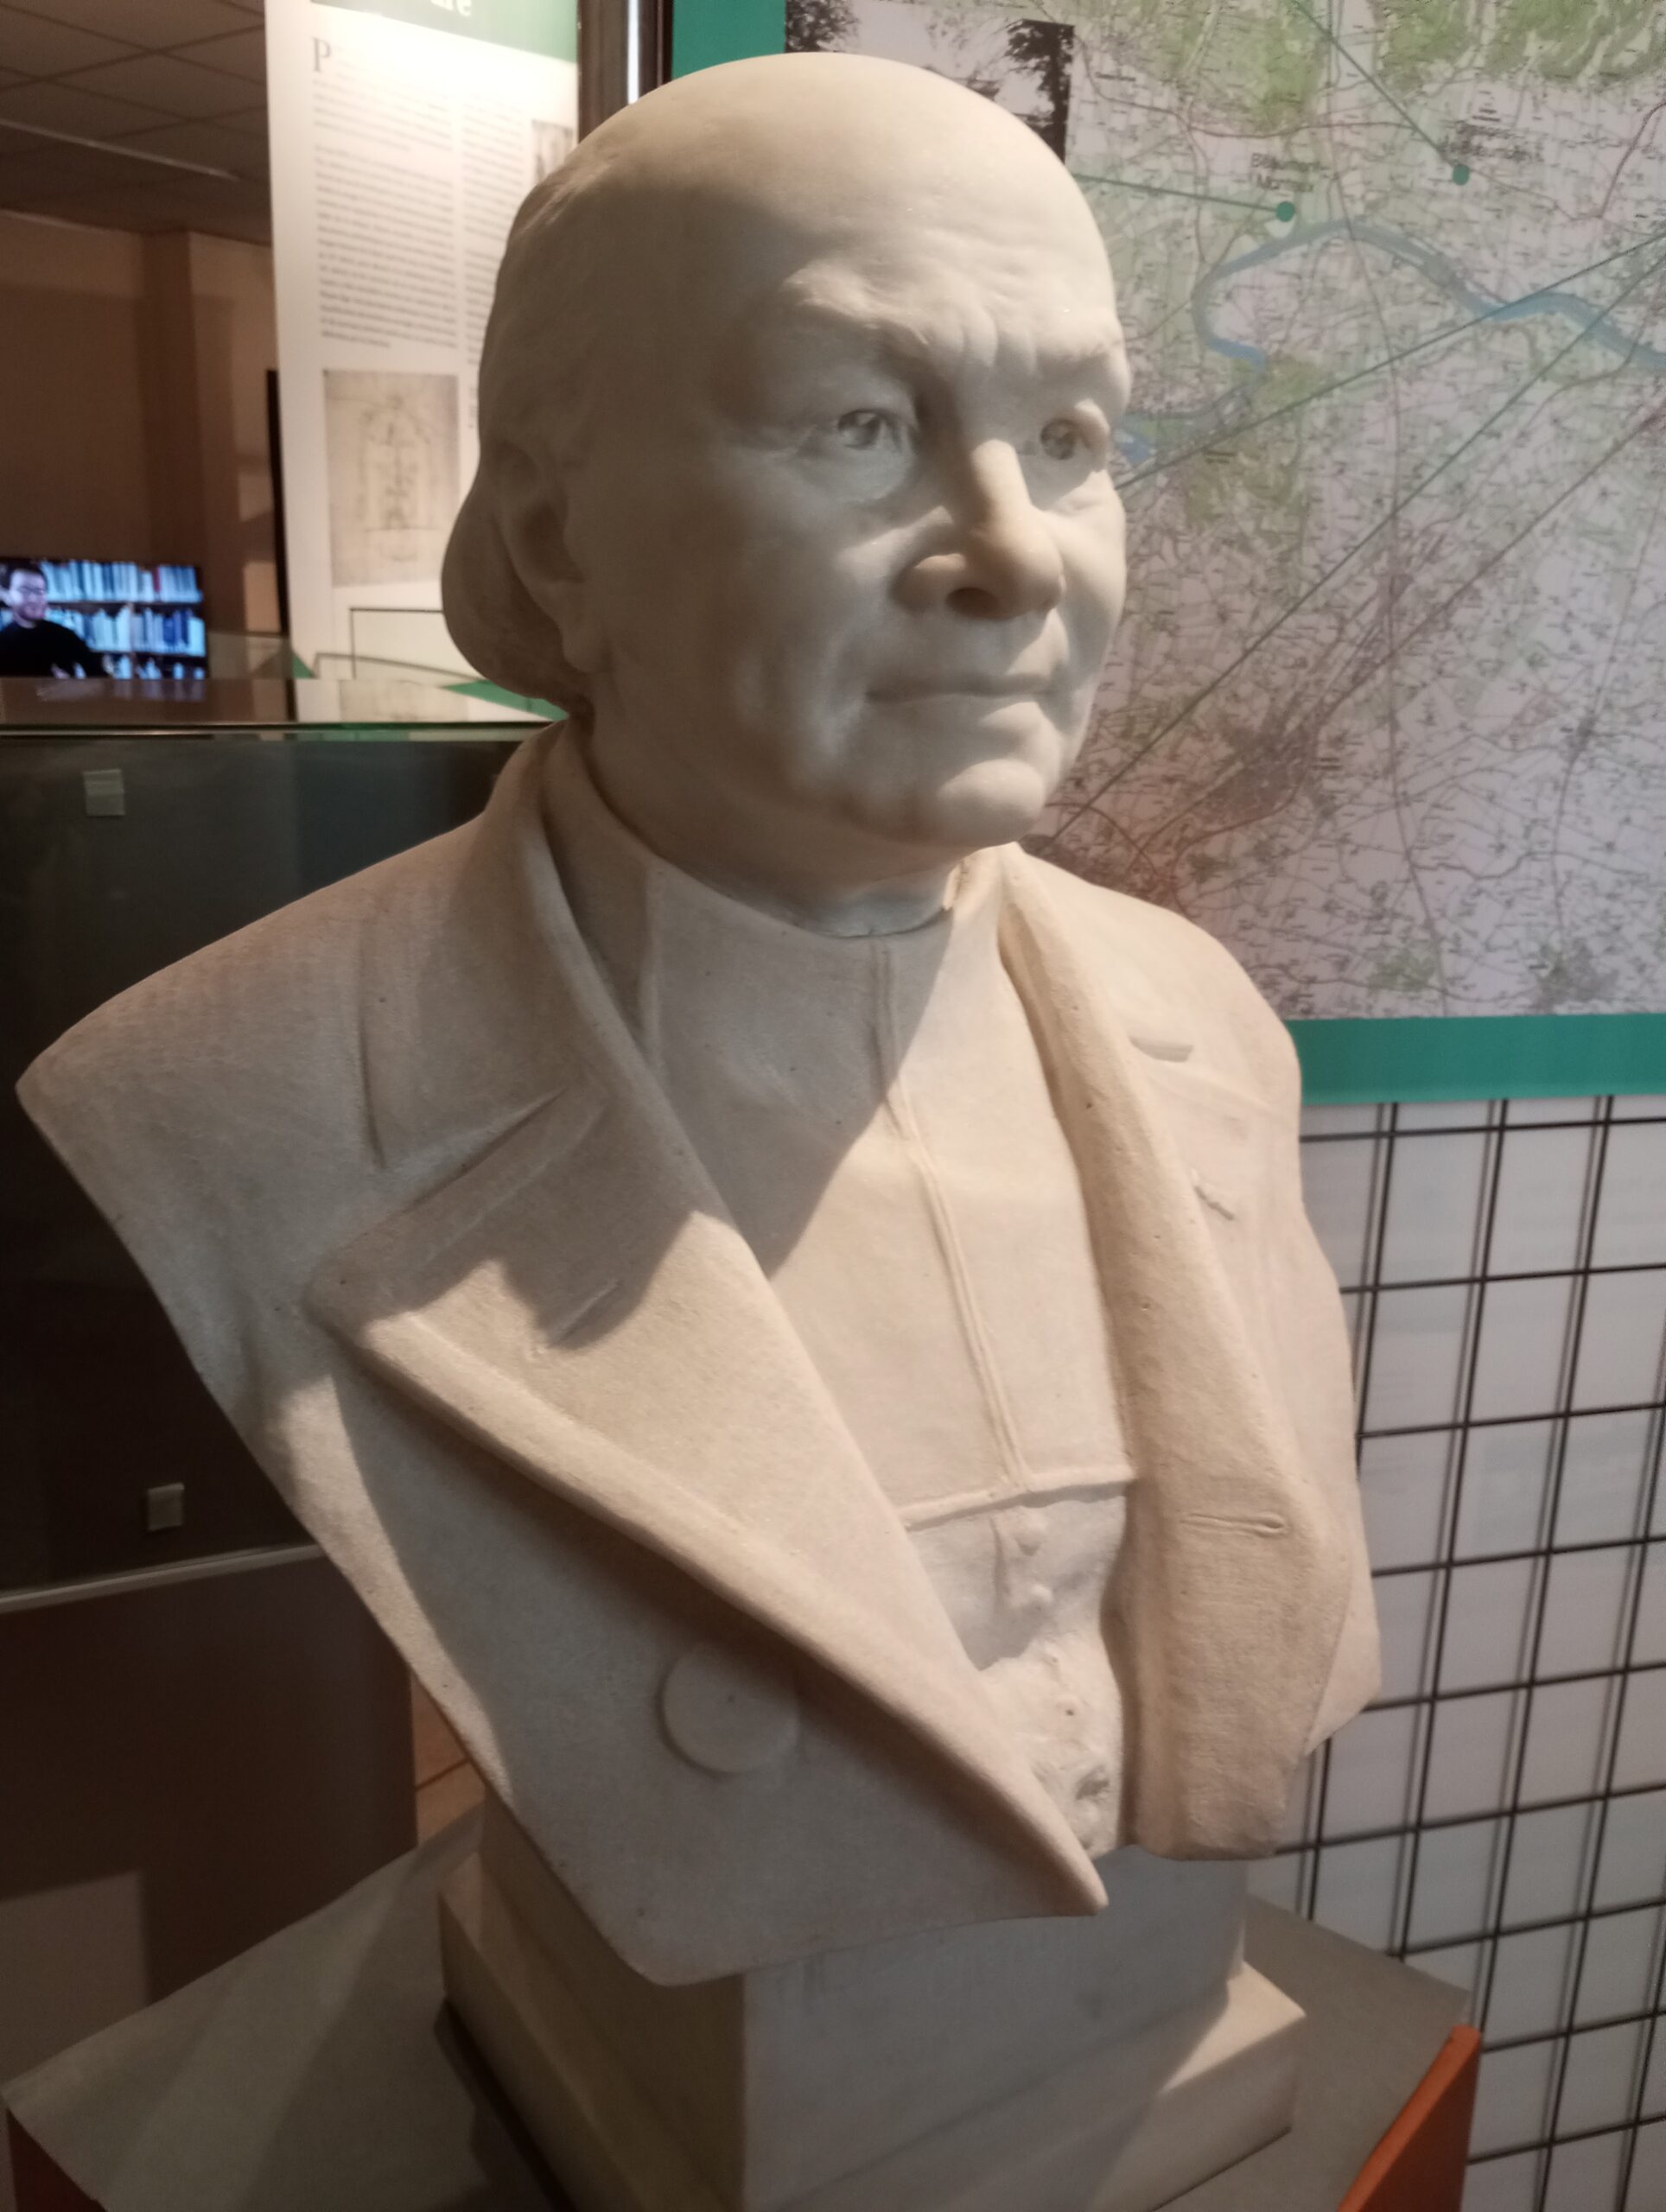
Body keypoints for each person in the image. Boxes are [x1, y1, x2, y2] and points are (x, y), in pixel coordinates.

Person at [17, 56, 1377, 1989]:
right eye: (859, 424)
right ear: (555, 532)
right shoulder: (235, 1089)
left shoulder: (1203, 1031)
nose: (1014, 553)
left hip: (1138, 2024)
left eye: (1069, 435)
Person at [0, 563, 106, 677]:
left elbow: (100, 676)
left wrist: (73, 685)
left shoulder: (65, 636)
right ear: (6, 595)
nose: (33, 598)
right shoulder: (3, 642)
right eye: (24, 590)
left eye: (39, 591)